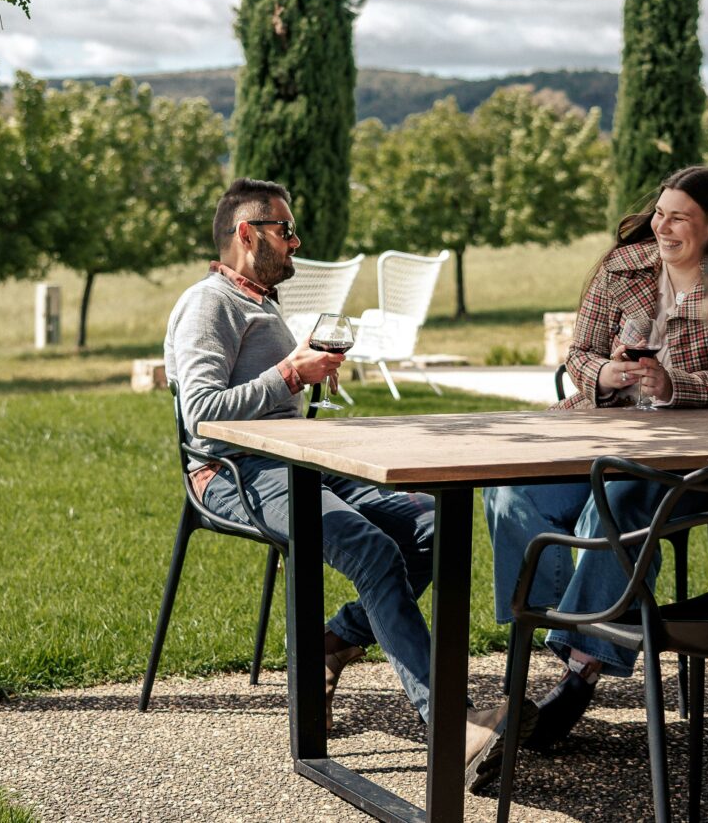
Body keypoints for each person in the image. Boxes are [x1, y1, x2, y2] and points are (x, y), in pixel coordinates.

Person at [166, 178, 514, 756]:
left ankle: (332, 642)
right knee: (373, 550)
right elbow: (200, 414)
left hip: (297, 460)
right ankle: (450, 722)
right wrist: (289, 375)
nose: (297, 242)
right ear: (247, 234)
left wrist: (303, 375)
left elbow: (268, 396)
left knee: (430, 525)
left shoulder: (258, 301)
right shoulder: (209, 304)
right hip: (235, 475)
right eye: (286, 230)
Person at [469, 165, 708, 790]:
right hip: (594, 431)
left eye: (680, 216)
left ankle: (578, 674)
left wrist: (674, 385)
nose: (663, 225)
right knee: (510, 490)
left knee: (614, 504)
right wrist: (606, 375)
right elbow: (578, 356)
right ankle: (548, 629)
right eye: (661, 212)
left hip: (686, 461)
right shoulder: (621, 267)